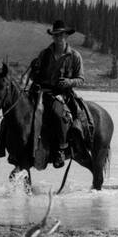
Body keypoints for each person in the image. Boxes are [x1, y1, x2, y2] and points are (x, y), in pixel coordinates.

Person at [25, 20, 85, 167]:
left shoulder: (75, 56)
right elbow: (33, 76)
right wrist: (35, 70)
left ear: (66, 36)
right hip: (41, 92)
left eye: (61, 35)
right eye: (55, 35)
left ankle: (61, 149)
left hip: (61, 94)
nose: (58, 38)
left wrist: (69, 83)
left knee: (58, 114)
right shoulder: (44, 54)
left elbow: (81, 79)